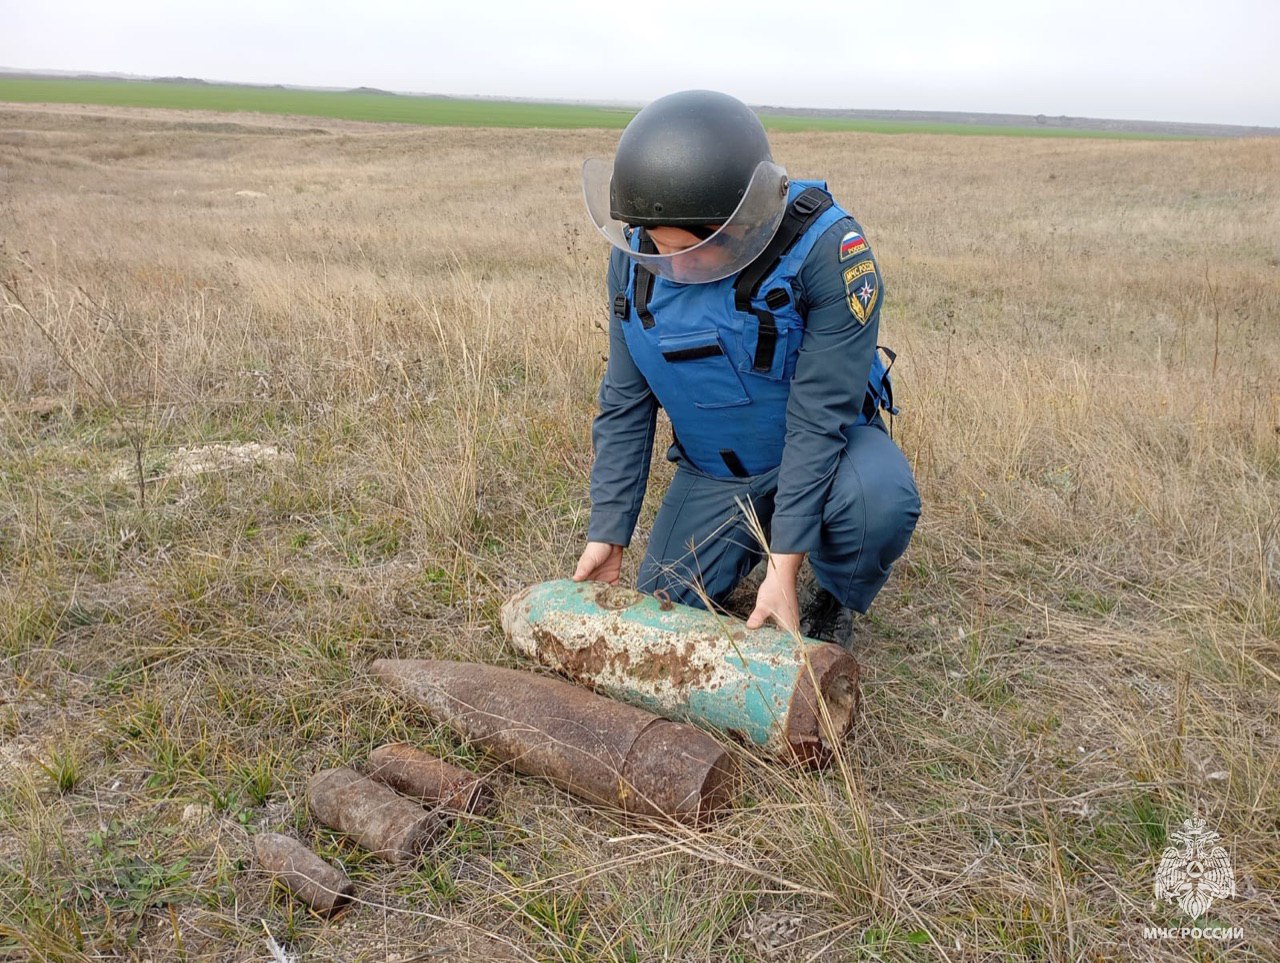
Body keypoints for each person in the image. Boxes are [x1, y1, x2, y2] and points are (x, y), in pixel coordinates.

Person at [571, 89, 920, 646]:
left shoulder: (830, 253)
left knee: (876, 499)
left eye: (696, 249)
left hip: (822, 454)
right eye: (659, 247)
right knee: (662, 601)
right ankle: (746, 543)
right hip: (719, 469)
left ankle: (834, 591)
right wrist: (608, 534)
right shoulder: (635, 259)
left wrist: (784, 570)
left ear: (743, 221)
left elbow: (818, 418)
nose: (674, 266)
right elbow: (625, 404)